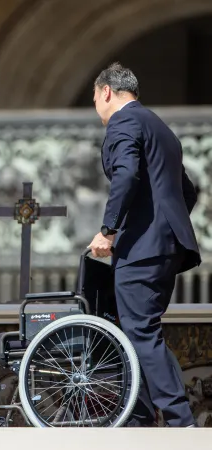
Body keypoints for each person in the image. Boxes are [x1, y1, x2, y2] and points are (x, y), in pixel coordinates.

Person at [87, 63, 199, 428]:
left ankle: (181, 423)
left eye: (94, 98)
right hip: (166, 247)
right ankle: (139, 419)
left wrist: (109, 230)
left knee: (140, 331)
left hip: (142, 248)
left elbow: (126, 174)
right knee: (142, 329)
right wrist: (166, 227)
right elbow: (187, 192)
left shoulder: (123, 122)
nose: (96, 107)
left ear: (106, 92)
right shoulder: (160, 128)